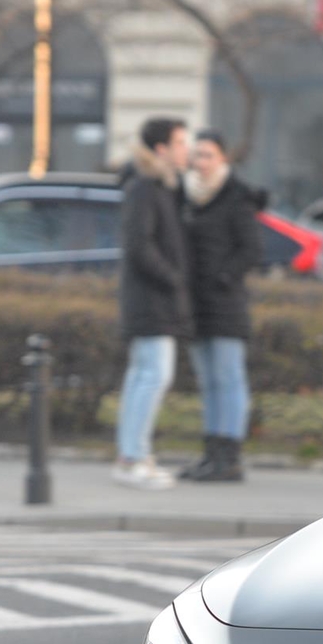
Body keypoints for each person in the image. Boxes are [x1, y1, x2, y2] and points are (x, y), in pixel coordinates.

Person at [176, 129, 265, 483]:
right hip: (195, 303)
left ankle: (230, 456)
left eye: (209, 155)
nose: (201, 162)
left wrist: (224, 276)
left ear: (223, 159)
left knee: (229, 379)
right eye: (197, 155)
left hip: (226, 303)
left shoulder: (237, 197)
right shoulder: (185, 197)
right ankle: (210, 454)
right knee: (208, 381)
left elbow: (252, 250)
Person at [113, 117, 193, 489]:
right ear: (161, 148)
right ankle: (133, 459)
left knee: (144, 377)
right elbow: (140, 246)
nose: (186, 150)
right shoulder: (146, 187)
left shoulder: (160, 186)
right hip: (151, 300)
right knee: (152, 377)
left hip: (153, 299)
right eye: (180, 143)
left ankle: (133, 455)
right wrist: (173, 278)